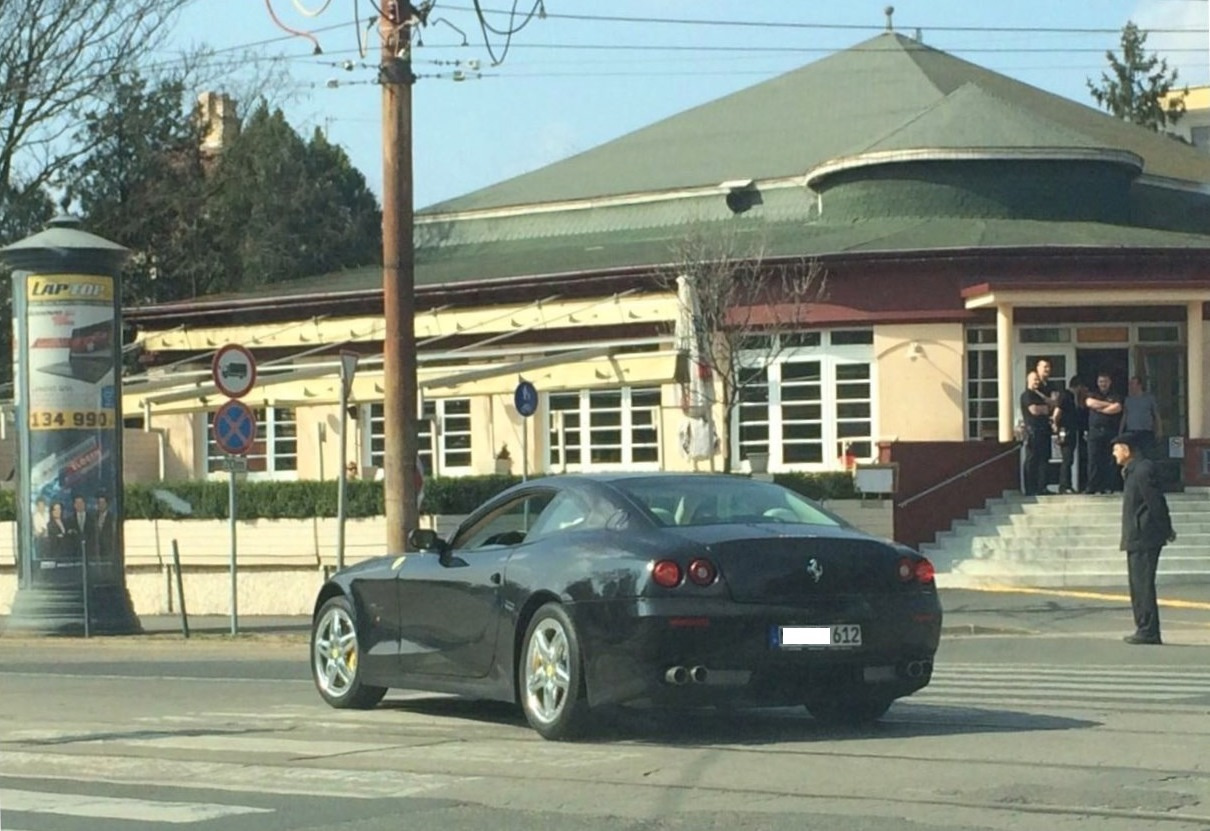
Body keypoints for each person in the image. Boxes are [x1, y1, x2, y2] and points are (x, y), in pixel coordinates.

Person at [1113, 431, 1175, 645]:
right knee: (1137, 584)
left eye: (1117, 449)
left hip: (1144, 535)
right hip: (1136, 535)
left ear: (1127, 450)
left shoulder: (1142, 470)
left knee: (1143, 584)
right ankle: (1143, 626)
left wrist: (1166, 529)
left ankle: (1148, 630)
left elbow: (1155, 501)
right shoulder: (1131, 471)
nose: (1114, 453)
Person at [1084, 372, 1123, 494]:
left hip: (1110, 431)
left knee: (1110, 460)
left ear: (1110, 382)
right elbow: (1090, 403)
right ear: (1097, 382)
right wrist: (1108, 405)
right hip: (1095, 432)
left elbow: (1117, 408)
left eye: (1105, 381)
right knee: (1093, 460)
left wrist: (1099, 408)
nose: (1103, 384)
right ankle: (1092, 487)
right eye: (1101, 381)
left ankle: (1108, 486)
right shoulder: (1092, 394)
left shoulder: (1115, 395)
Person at [1019, 370, 1052, 496]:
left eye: (1038, 379)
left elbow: (1052, 405)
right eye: (1034, 379)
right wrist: (1046, 408)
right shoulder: (1027, 395)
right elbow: (1034, 410)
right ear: (1028, 381)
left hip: (1044, 431)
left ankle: (1042, 487)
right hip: (1033, 432)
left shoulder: (1040, 395)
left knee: (1044, 460)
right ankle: (1030, 489)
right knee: (1032, 460)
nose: (1036, 382)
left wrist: (1046, 407)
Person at [1053, 375, 1086, 494]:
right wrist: (1056, 427)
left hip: (1071, 430)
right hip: (1065, 430)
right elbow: (1057, 412)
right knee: (1066, 458)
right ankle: (1063, 485)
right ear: (1078, 386)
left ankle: (1068, 484)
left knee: (1070, 458)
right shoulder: (1065, 396)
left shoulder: (1073, 397)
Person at [1120, 375, 1162, 459]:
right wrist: (1120, 431)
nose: (1130, 386)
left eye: (1133, 384)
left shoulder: (1149, 398)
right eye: (1130, 384)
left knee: (1147, 456)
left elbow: (1156, 415)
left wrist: (1159, 430)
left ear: (1139, 385)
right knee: (1132, 456)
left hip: (1146, 432)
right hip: (1131, 432)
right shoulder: (1128, 400)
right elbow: (1125, 416)